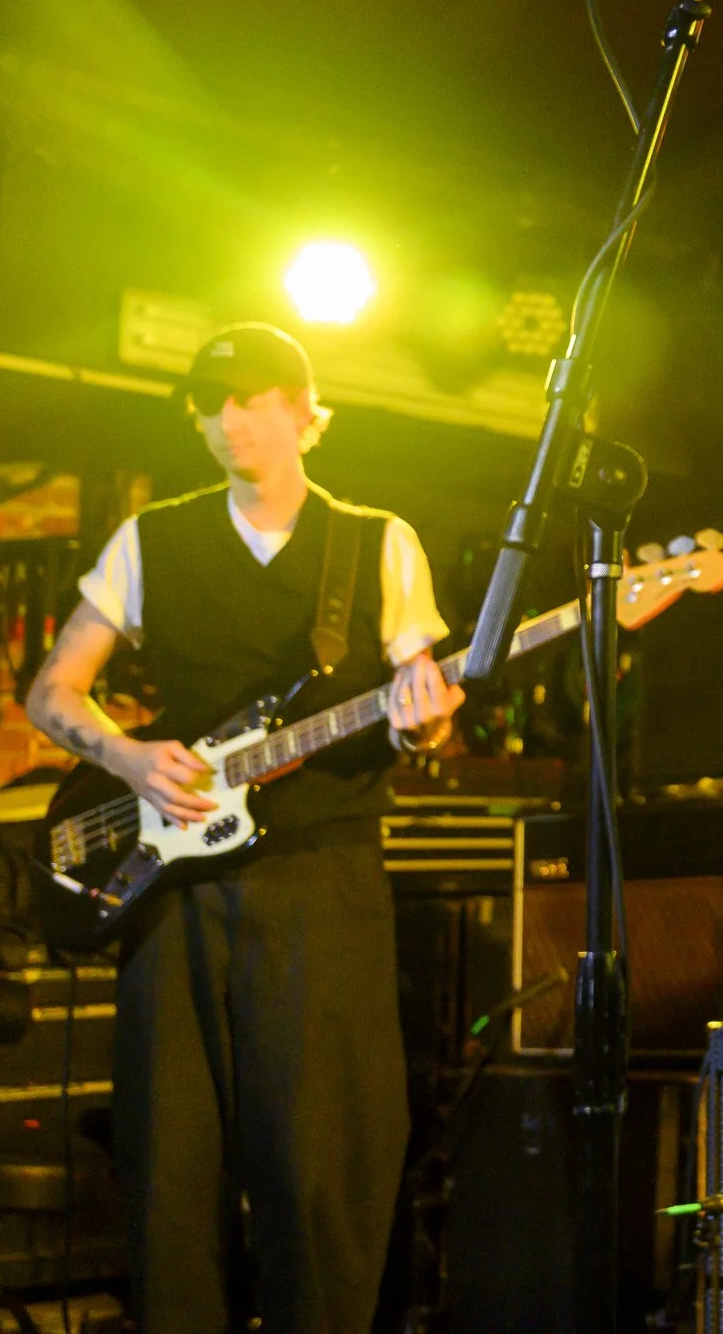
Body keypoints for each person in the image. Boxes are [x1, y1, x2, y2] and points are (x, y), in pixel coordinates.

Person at [25, 323, 462, 1334]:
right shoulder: (151, 537)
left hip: (322, 879)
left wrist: (428, 713)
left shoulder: (374, 539)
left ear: (307, 412)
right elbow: (54, 690)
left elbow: (430, 701)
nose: (231, 418)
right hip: (169, 887)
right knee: (172, 1168)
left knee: (321, 1167)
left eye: (256, 396)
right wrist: (129, 757)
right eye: (210, 401)